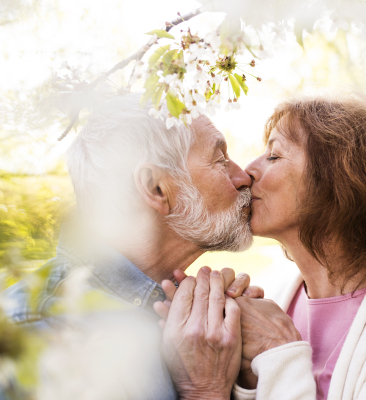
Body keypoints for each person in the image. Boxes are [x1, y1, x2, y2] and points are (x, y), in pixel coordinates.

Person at [158, 93, 366, 400]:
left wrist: (276, 352)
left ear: (342, 181)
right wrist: (245, 374)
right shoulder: (272, 294)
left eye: (274, 156)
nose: (247, 172)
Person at [1, 93, 263, 400]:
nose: (243, 176)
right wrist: (205, 391)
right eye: (220, 160)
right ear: (156, 188)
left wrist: (248, 378)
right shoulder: (42, 330)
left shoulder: (196, 315)